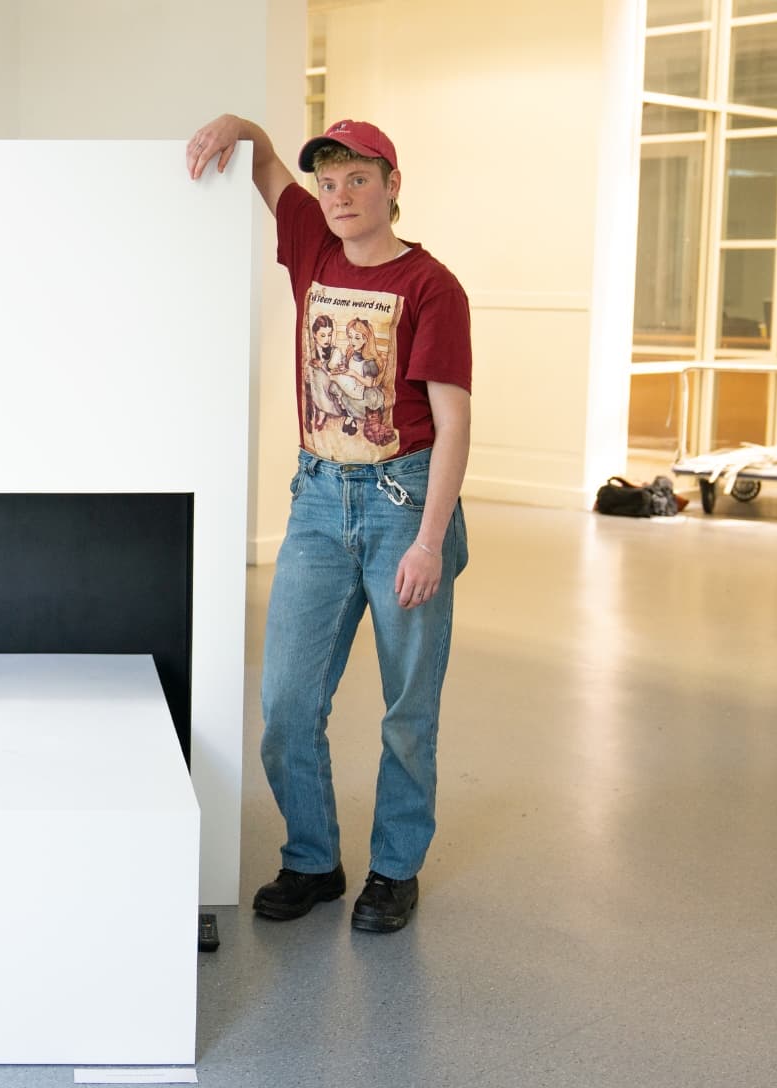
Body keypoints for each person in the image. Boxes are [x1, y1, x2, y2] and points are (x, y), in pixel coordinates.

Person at [186, 116, 472, 933]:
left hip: (403, 501)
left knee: (407, 707)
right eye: (329, 181)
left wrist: (427, 541)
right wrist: (239, 128)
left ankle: (394, 868)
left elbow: (452, 424)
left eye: (357, 179)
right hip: (315, 499)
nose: (339, 196)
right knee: (285, 703)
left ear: (391, 185)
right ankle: (314, 858)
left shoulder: (431, 288)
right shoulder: (312, 244)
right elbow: (267, 163)